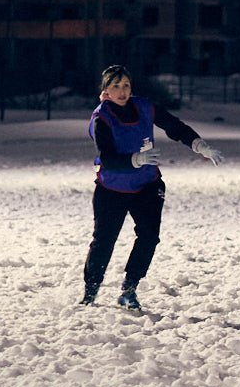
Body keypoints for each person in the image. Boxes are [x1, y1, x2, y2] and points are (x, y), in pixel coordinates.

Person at [82, 65, 223, 312]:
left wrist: (199, 145)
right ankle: (91, 290)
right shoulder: (101, 117)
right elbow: (107, 157)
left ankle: (129, 288)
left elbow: (173, 126)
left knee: (149, 236)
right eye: (115, 86)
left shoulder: (144, 106)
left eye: (125, 84)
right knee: (104, 240)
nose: (122, 90)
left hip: (147, 185)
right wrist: (135, 160)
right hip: (112, 188)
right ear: (105, 89)